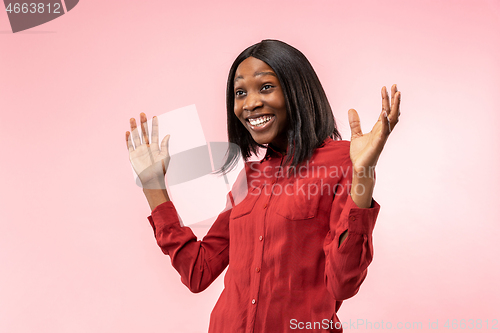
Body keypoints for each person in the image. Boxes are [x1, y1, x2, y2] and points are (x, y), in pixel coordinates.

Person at [125, 39, 400, 332]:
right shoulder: (250, 177)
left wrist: (364, 176)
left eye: (265, 87)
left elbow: (344, 282)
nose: (250, 103)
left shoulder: (344, 162)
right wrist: (153, 186)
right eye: (240, 92)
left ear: (297, 90)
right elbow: (198, 271)